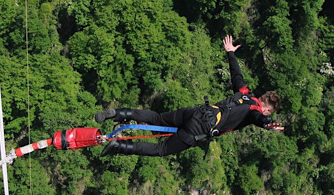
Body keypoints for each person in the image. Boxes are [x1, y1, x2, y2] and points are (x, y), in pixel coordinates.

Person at [96, 35, 284, 157]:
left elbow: (237, 76)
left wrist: (231, 53)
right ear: (267, 109)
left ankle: (118, 113)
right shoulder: (255, 111)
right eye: (268, 112)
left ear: (262, 97)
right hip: (200, 127)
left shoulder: (244, 94)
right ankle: (118, 146)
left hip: (197, 111)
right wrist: (267, 124)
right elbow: (257, 117)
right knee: (162, 149)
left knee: (158, 118)